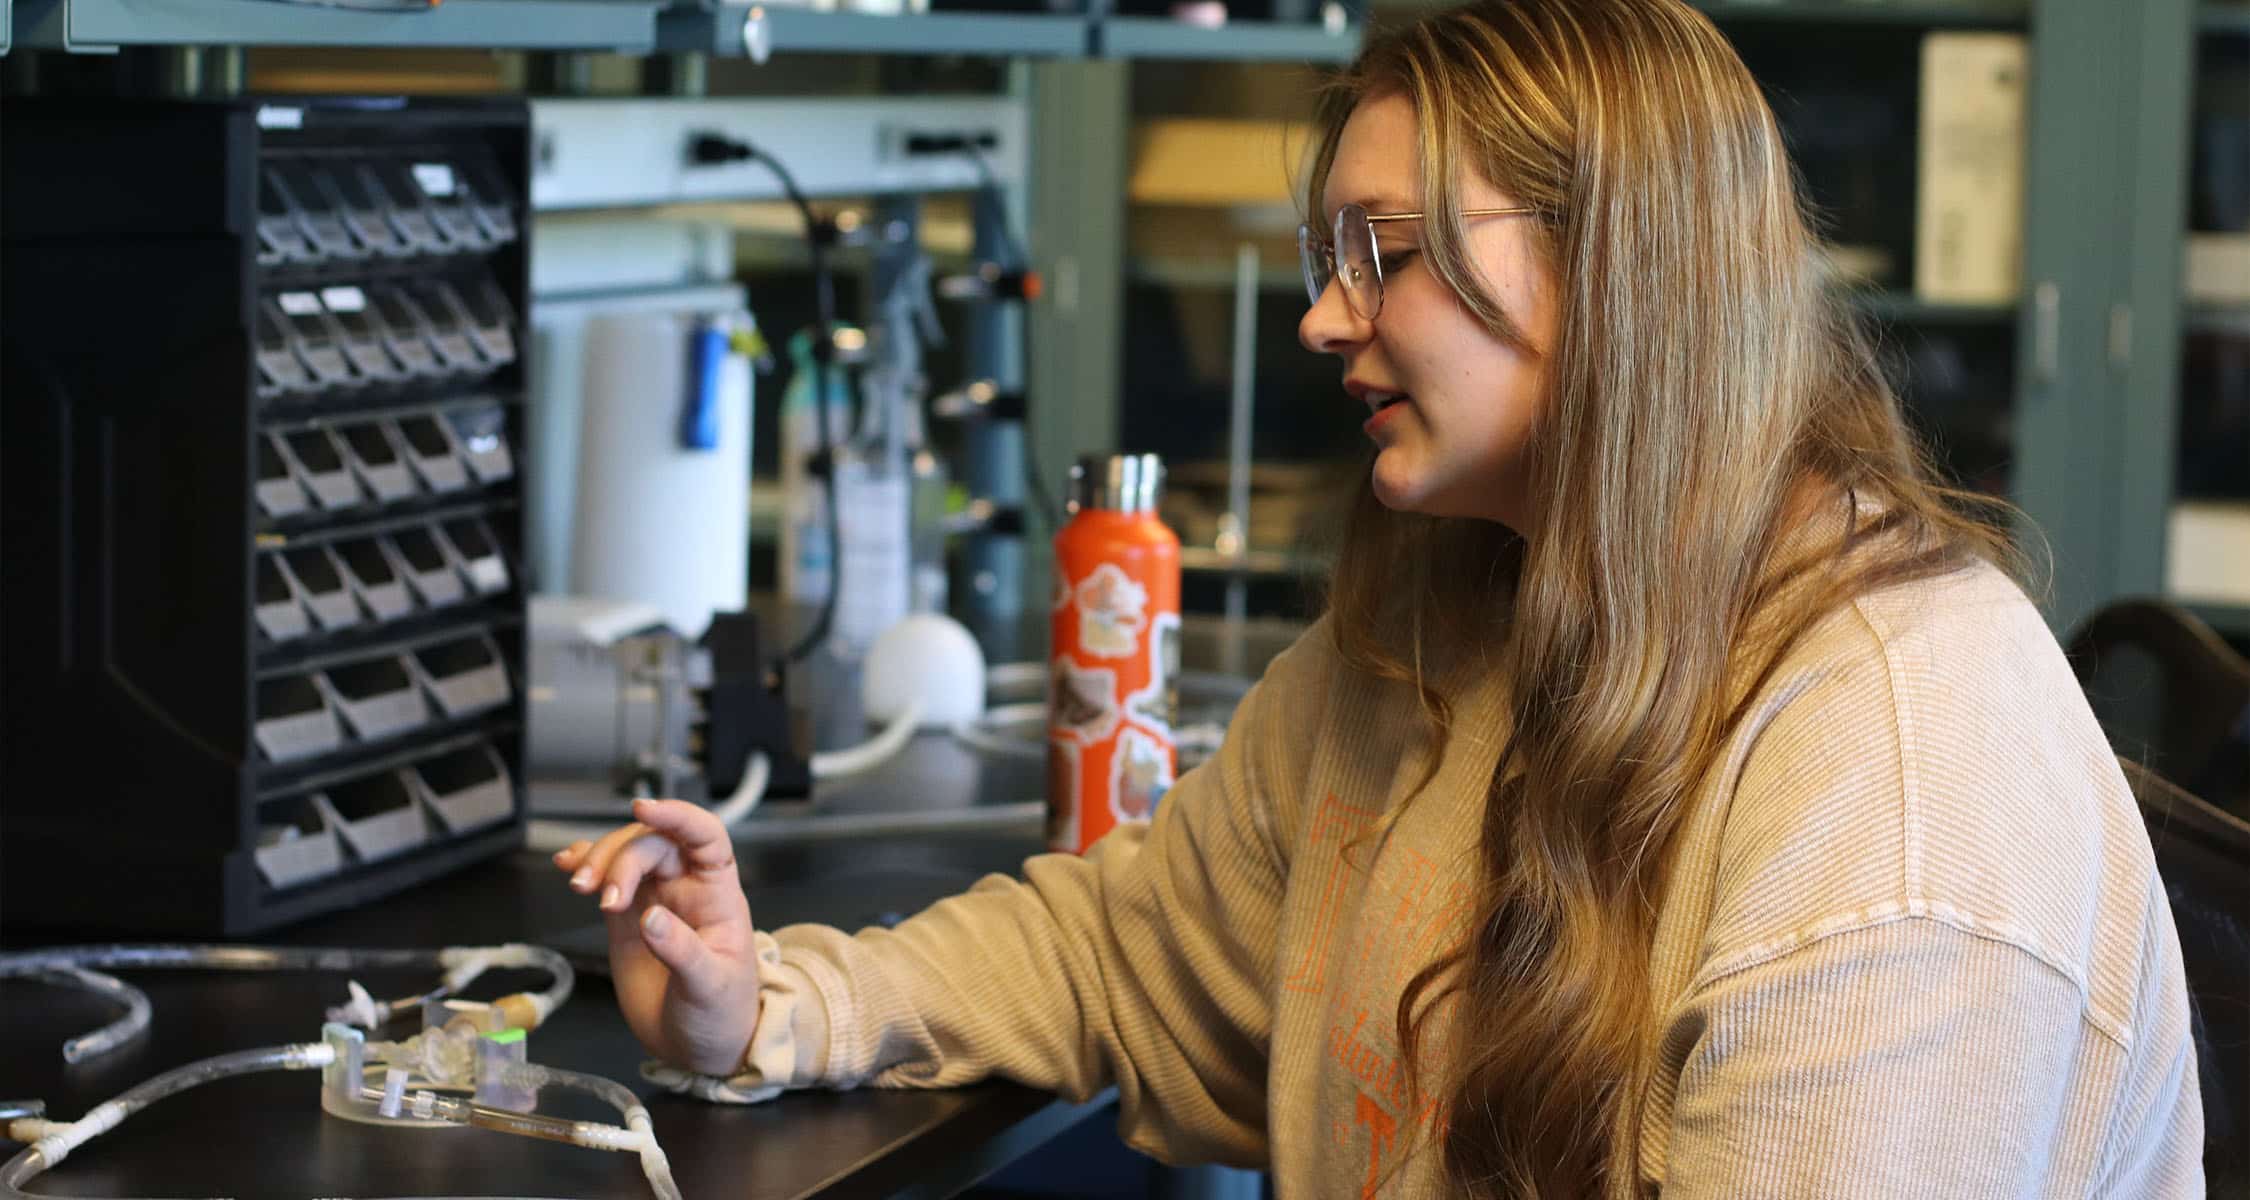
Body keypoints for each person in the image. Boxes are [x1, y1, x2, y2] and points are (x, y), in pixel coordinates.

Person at [553, 0, 2203, 1194]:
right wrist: (760, 1001)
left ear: (1616, 264)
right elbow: (1129, 954)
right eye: (1323, 255)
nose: (1324, 322)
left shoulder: (1891, 802)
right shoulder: (1455, 621)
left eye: (1384, 251)